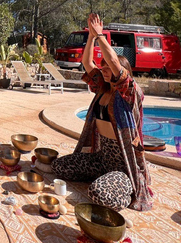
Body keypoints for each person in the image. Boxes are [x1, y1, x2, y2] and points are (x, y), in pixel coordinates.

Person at [51, 13, 153, 211]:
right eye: (103, 67)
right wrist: (90, 37)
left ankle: (129, 190)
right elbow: (88, 63)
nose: (103, 70)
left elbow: (115, 62)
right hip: (102, 160)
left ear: (122, 72)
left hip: (124, 165)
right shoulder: (102, 89)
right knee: (59, 166)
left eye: (107, 67)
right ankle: (105, 179)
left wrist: (100, 36)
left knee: (98, 194)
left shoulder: (130, 94)